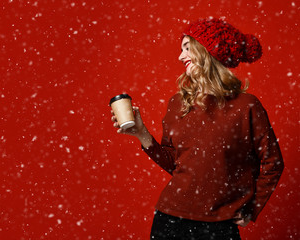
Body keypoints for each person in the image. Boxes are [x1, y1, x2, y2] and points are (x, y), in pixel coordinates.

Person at [110, 18, 284, 240]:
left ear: (209, 51)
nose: (180, 56)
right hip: (170, 219)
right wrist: (141, 134)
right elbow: (175, 163)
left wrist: (253, 207)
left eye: (187, 48)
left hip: (220, 226)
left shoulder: (247, 106)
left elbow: (273, 162)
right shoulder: (177, 104)